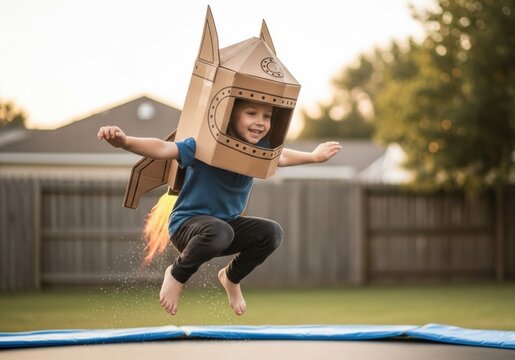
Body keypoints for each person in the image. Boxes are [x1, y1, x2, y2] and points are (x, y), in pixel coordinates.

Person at [97, 99, 341, 316]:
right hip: (188, 226)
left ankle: (231, 278)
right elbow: (162, 148)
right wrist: (125, 141)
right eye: (251, 113)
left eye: (266, 116)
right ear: (230, 114)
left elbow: (282, 156)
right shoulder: (204, 145)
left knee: (271, 232)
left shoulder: (259, 151)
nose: (260, 122)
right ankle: (176, 274)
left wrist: (314, 156)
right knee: (219, 231)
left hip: (226, 228)